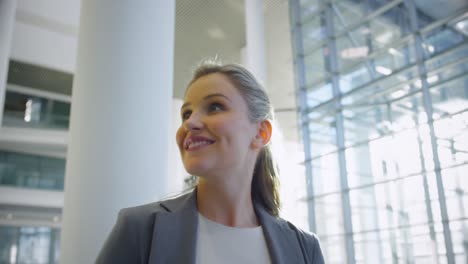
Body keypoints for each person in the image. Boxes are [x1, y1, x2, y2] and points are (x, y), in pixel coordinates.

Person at [96, 62, 325, 264]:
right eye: (186, 114)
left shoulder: (304, 247)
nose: (190, 123)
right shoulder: (139, 229)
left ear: (260, 133)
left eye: (215, 106)